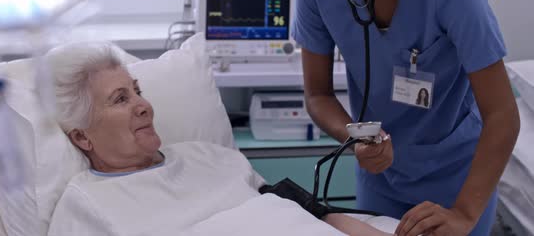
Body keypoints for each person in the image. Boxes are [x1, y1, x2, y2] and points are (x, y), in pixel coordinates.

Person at [270, 0, 520, 235]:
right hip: (382, 178)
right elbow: (317, 95)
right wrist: (357, 139)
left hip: (458, 177)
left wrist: (464, 213)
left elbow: (502, 113)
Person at [45, 43, 393, 236]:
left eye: (137, 91)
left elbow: (315, 214)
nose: (143, 105)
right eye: (121, 99)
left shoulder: (207, 155)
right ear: (82, 136)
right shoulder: (86, 203)